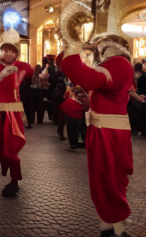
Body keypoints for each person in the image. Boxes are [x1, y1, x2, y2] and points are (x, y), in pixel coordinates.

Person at [58, 34, 134, 237]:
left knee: (110, 180)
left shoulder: (118, 63)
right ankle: (109, 227)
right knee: (102, 180)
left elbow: (87, 78)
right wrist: (69, 50)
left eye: (101, 44)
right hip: (102, 131)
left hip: (110, 133)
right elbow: (79, 75)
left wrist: (72, 50)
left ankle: (117, 229)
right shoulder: (111, 64)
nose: (97, 47)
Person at [0, 29, 33, 198]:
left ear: (16, 53)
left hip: (14, 115)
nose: (8, 54)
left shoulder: (23, 66)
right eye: (5, 50)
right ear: (0, 51)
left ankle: (15, 181)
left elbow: (30, 75)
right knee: (2, 150)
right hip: (0, 114)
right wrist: (2, 74)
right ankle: (13, 178)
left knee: (10, 149)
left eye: (11, 50)